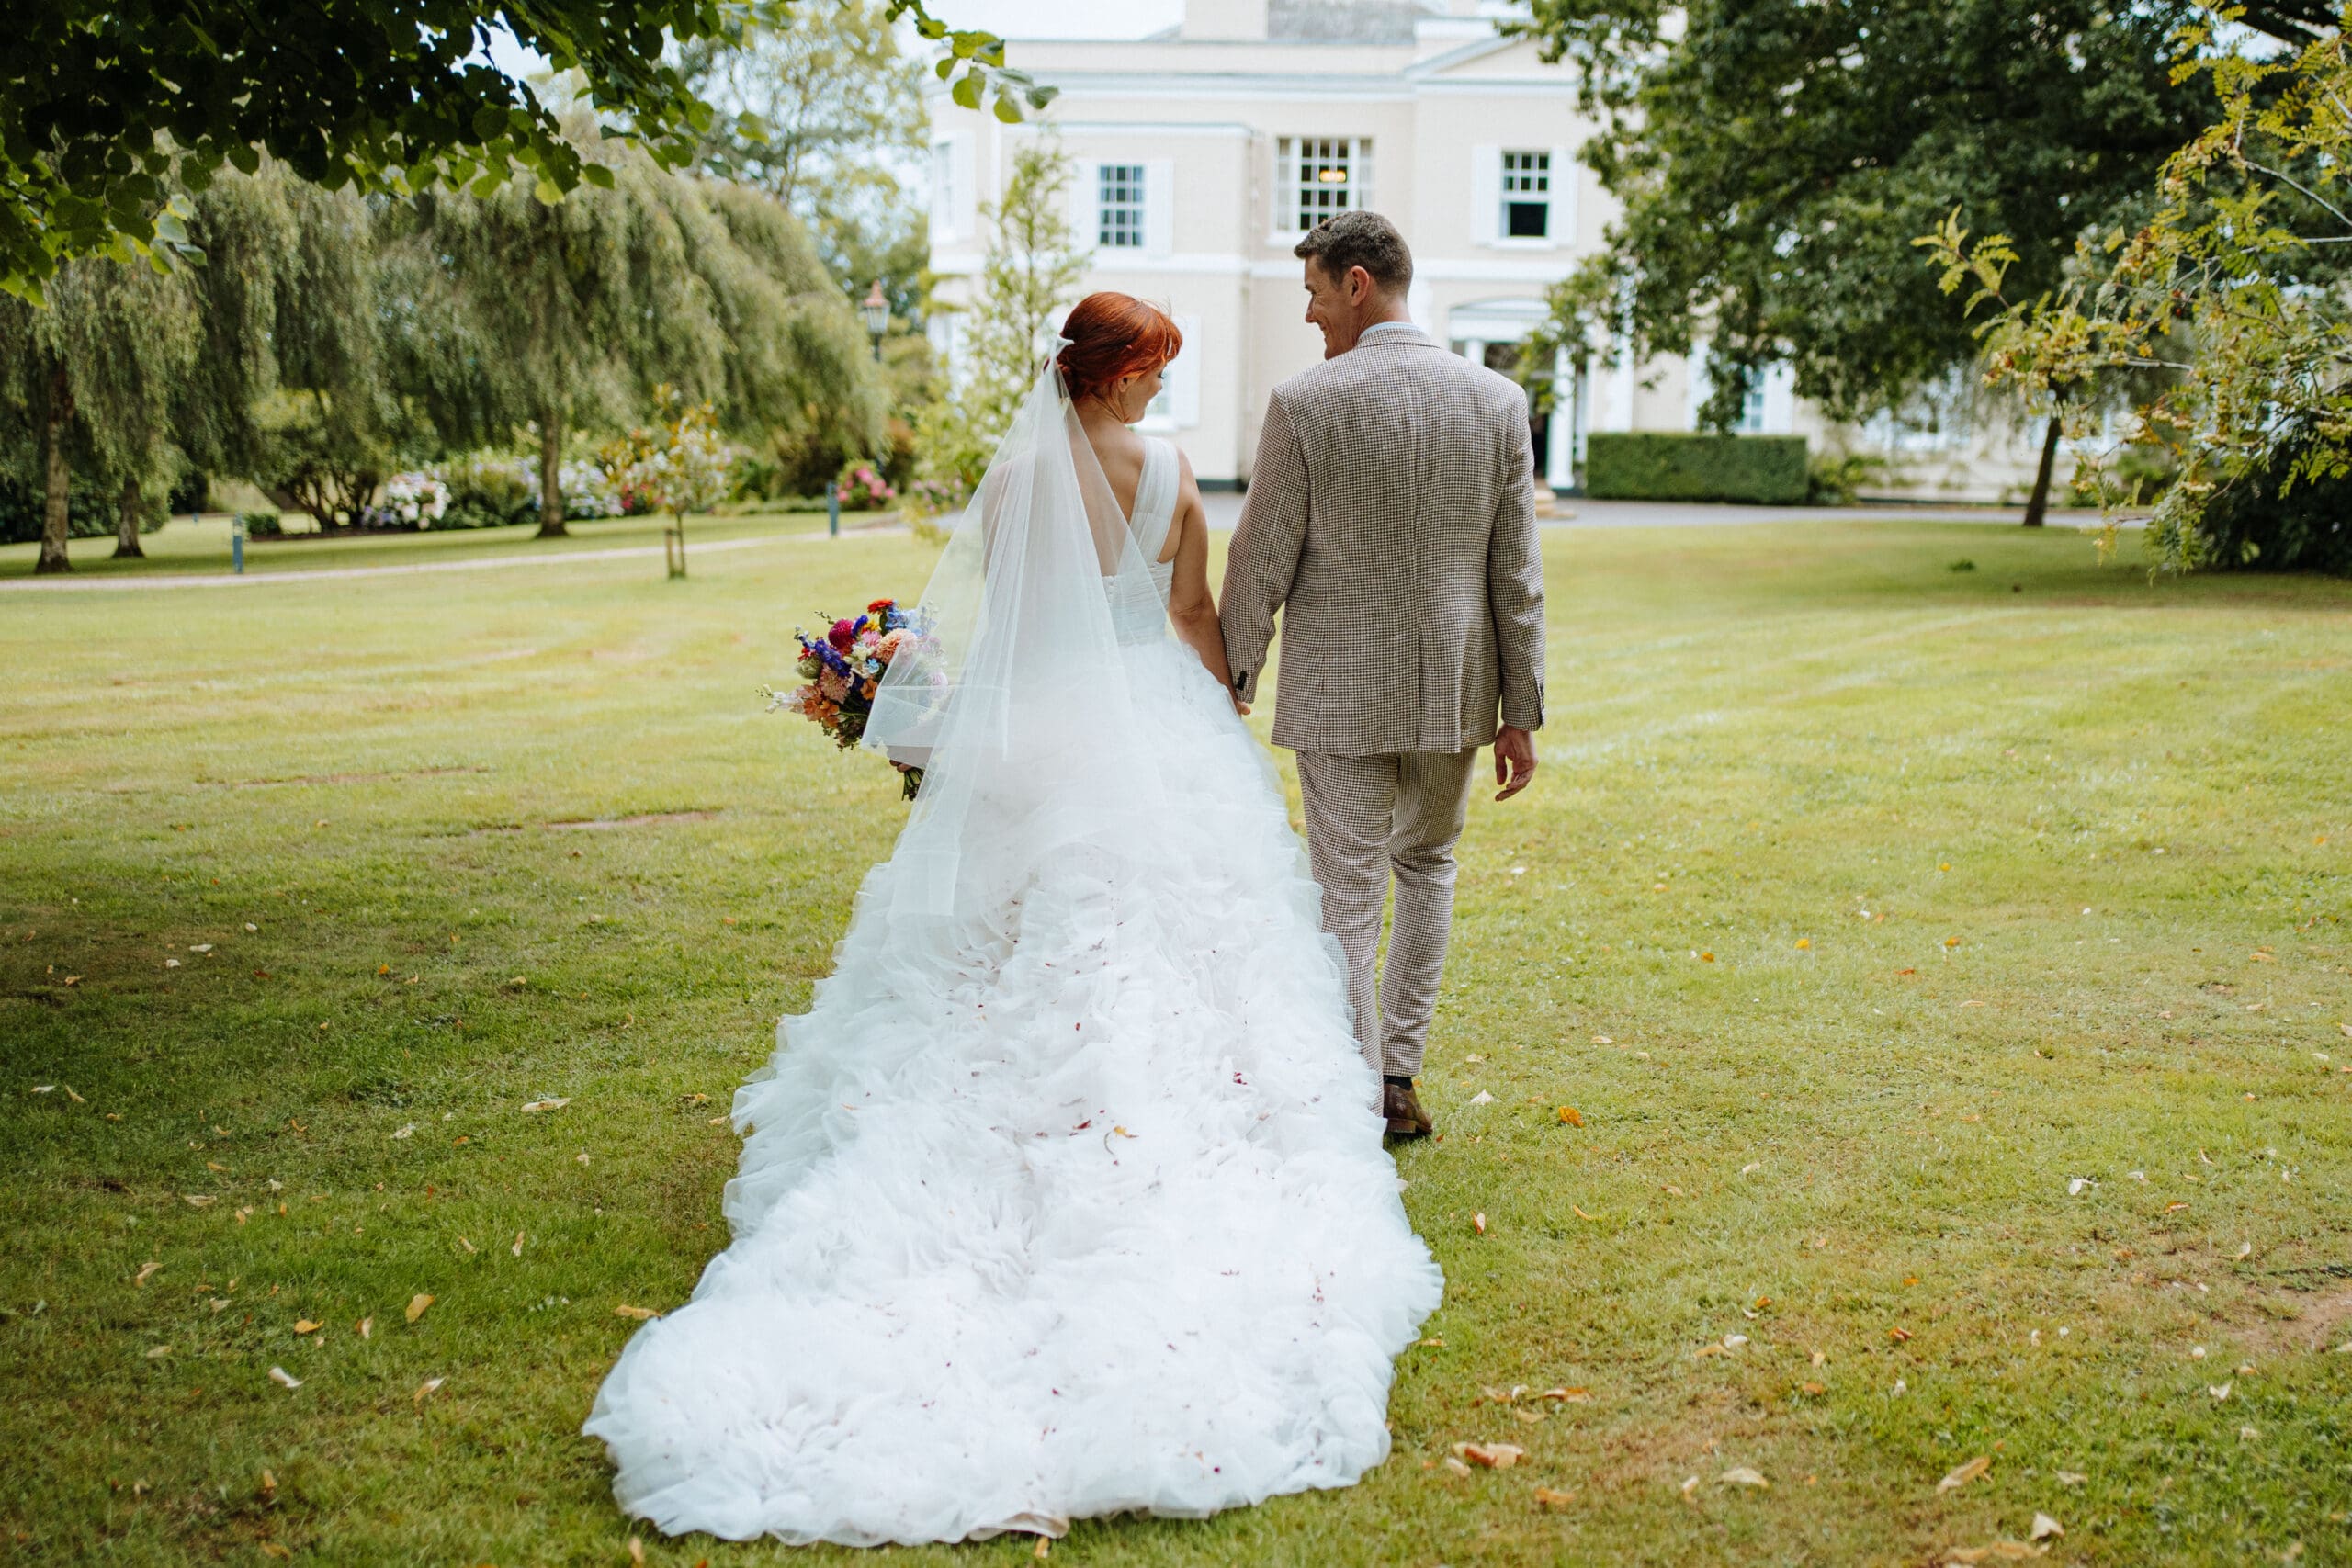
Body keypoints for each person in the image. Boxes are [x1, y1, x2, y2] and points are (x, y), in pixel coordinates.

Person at [582, 292, 1442, 1548]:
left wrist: (950, 719)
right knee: (1171, 942)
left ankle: (1045, 1114)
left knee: (1008, 941)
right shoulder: (1173, 479)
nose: (1156, 387)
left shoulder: (1014, 480)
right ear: (1117, 371)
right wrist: (1217, 713)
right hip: (1152, 728)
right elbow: (1194, 618)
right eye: (1150, 367)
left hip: (1037, 731)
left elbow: (1014, 631)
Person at [1223, 209, 1547, 1141]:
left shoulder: (1305, 403)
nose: (1312, 316)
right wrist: (1517, 710)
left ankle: (1352, 1083)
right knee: (1429, 867)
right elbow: (1515, 577)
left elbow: (1258, 560)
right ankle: (1395, 1075)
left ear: (1356, 284)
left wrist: (1235, 672)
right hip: (1455, 687)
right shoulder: (1493, 401)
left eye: (1317, 295)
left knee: (1346, 889)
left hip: (1337, 687)